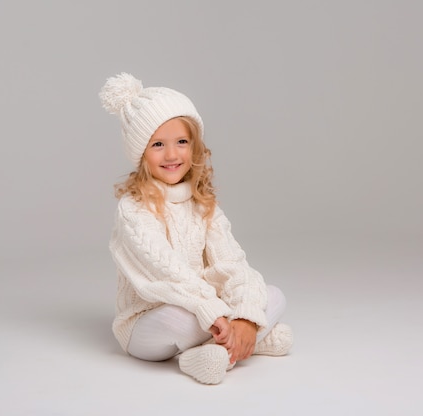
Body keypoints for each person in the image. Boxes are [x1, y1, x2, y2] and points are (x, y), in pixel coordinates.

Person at [99, 72, 293, 385]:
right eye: (158, 144)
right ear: (141, 153)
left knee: (273, 295)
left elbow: (232, 263)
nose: (172, 154)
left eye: (181, 142)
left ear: (194, 147)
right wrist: (212, 310)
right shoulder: (133, 209)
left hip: (209, 310)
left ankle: (222, 348)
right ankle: (246, 342)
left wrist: (244, 315)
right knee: (182, 317)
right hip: (151, 322)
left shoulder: (202, 203)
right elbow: (168, 272)